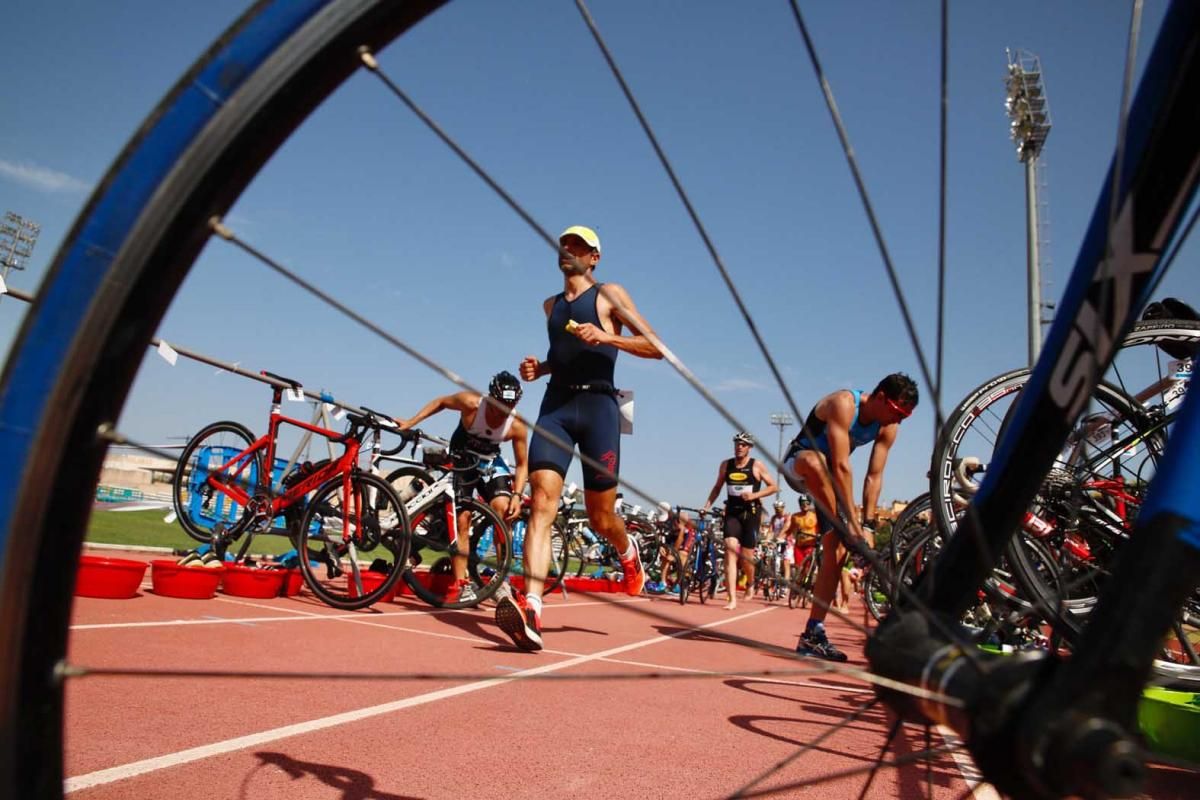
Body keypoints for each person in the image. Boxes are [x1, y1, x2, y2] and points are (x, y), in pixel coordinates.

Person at [496, 225, 663, 651]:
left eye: (580, 247)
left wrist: (607, 335)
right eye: (566, 243)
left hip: (599, 410)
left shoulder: (610, 295)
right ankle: (531, 608)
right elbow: (563, 356)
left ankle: (629, 555)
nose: (569, 250)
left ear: (594, 259)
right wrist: (542, 369)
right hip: (555, 409)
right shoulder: (550, 306)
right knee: (542, 504)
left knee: (600, 518)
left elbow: (656, 346)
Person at [782, 373, 918, 661]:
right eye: (896, 413)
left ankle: (812, 634)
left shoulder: (888, 426)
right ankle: (844, 530)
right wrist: (852, 524)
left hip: (830, 481)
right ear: (881, 396)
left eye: (904, 417)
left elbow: (874, 476)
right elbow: (842, 465)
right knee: (818, 462)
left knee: (837, 552)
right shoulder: (844, 403)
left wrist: (867, 524)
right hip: (801, 463)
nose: (898, 421)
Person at [396, 371, 530, 603]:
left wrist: (517, 495)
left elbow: (522, 464)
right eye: (499, 405)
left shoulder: (516, 426)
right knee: (462, 520)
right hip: (462, 458)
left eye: (510, 406)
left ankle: (501, 580)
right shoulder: (471, 403)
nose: (503, 411)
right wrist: (411, 422)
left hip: (490, 461)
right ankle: (461, 584)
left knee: (504, 510)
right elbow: (440, 402)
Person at [703, 432, 778, 611]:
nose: (739, 447)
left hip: (751, 513)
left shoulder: (756, 465)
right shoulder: (726, 465)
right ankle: (732, 598)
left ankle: (751, 581)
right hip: (732, 512)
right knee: (730, 548)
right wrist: (706, 506)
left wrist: (754, 495)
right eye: (737, 443)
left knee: (746, 557)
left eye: (743, 444)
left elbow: (774, 486)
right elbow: (717, 487)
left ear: (749, 448)